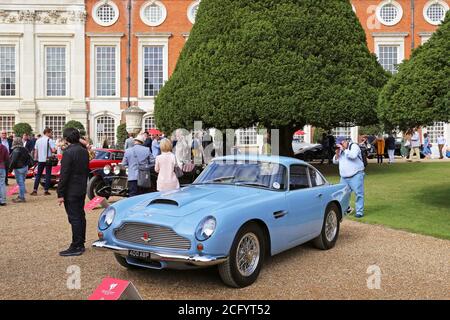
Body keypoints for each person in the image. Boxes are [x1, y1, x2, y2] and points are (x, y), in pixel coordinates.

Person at [57, 128, 89, 256]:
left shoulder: (68, 152)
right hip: (81, 187)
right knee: (80, 216)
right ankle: (80, 242)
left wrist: (60, 193)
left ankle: (77, 245)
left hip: (71, 189)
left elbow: (64, 174)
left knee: (75, 217)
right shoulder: (83, 151)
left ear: (66, 138)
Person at [333, 137, 365, 218]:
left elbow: (353, 156)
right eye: (338, 143)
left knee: (358, 194)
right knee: (342, 194)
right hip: (344, 177)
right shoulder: (340, 150)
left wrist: (344, 149)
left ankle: (359, 212)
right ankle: (347, 209)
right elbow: (335, 161)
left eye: (341, 142)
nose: (340, 145)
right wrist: (337, 153)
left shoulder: (354, 146)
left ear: (346, 141)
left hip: (356, 174)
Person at [31, 128, 56, 196]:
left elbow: (36, 151)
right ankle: (46, 190)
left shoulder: (38, 140)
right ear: (47, 133)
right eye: (51, 133)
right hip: (48, 159)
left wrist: (35, 159)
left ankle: (35, 190)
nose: (51, 134)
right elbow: (54, 150)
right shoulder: (50, 140)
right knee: (48, 174)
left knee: (38, 175)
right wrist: (55, 149)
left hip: (40, 159)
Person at [9, 138, 32, 203]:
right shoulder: (25, 149)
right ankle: (20, 196)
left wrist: (10, 170)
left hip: (18, 168)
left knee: (20, 183)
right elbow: (29, 158)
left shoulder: (16, 150)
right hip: (25, 167)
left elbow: (13, 161)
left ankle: (21, 197)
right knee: (22, 183)